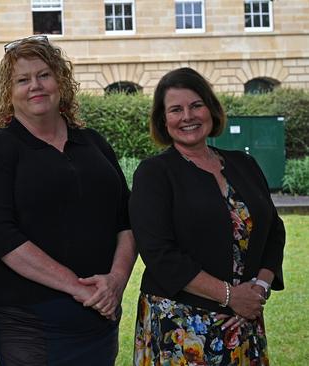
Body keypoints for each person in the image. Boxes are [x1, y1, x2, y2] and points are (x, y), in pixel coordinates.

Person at [0, 35, 137, 366]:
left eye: (44, 74)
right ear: (8, 93)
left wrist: (115, 283)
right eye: (22, 79)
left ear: (60, 80)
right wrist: (79, 288)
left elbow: (126, 219)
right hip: (28, 318)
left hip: (99, 311)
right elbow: (2, 236)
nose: (36, 86)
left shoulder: (93, 143)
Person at [130, 67, 286, 365]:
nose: (187, 116)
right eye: (176, 109)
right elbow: (160, 254)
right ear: (164, 121)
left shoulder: (244, 164)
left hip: (243, 319)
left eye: (196, 105)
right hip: (181, 327)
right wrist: (231, 296)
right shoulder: (154, 174)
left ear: (211, 109)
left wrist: (257, 291)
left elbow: (274, 232)